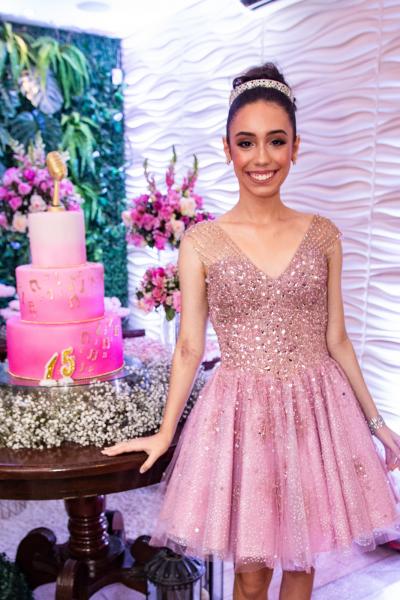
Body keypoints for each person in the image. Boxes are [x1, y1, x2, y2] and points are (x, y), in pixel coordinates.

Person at [103, 63, 400, 600]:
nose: (262, 158)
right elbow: (190, 346)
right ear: (228, 149)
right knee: (251, 572)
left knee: (302, 561)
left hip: (316, 411)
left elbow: (337, 339)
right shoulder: (202, 242)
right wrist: (166, 432)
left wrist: (378, 425)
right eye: (247, 142)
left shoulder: (324, 236)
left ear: (295, 148)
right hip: (242, 415)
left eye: (275, 141)